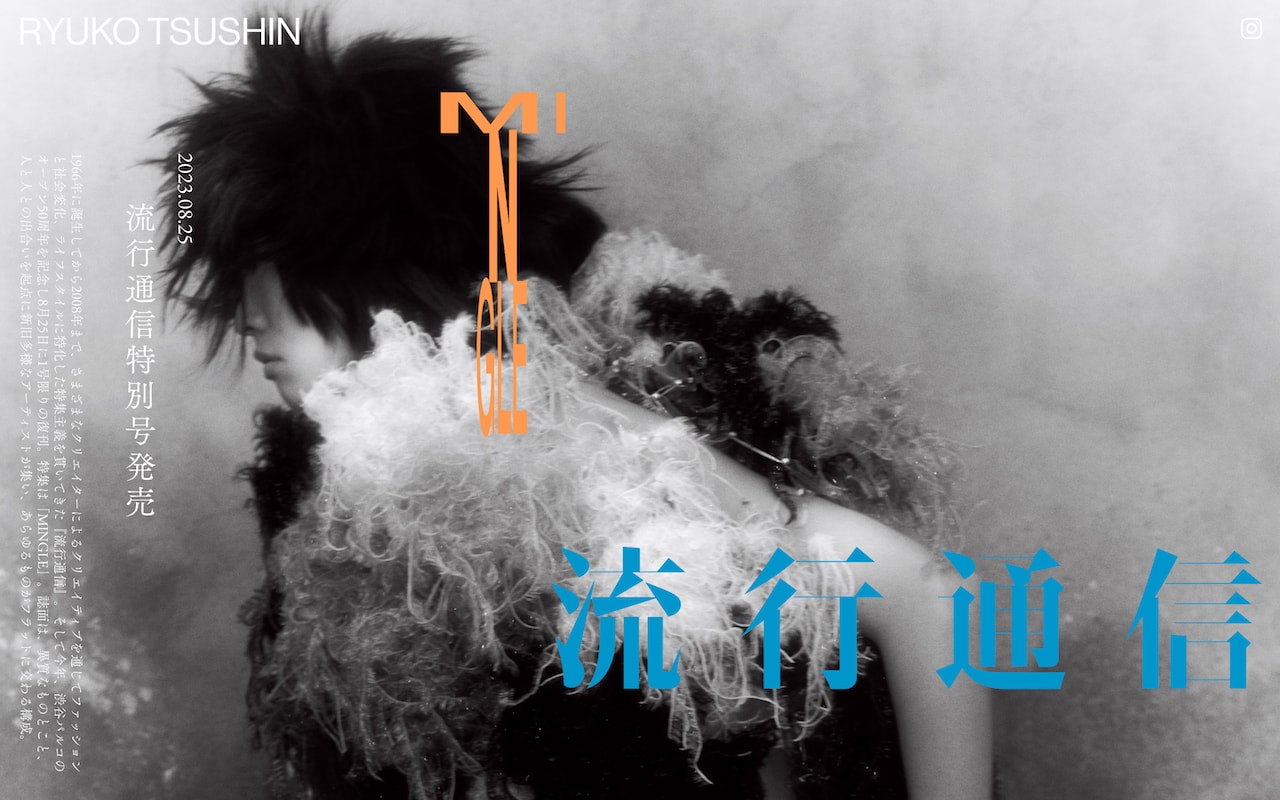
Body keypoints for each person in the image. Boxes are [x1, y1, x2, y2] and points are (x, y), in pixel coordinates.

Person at [156, 16, 992, 800]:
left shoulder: (532, 419)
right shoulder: (335, 483)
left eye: (271, 264)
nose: (249, 316)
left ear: (376, 261)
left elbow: (922, 592)